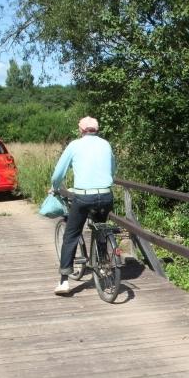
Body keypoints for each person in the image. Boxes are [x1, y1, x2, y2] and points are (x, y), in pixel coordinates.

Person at [51, 116, 116, 295]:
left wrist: (54, 187)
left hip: (83, 197)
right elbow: (113, 170)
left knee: (71, 234)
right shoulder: (106, 144)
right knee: (101, 229)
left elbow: (58, 173)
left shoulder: (74, 145)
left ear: (81, 130)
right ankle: (103, 266)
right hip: (105, 195)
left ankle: (64, 281)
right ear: (97, 129)